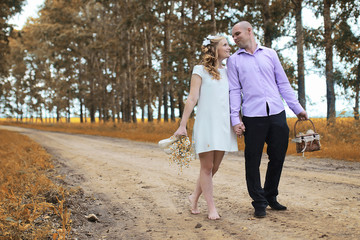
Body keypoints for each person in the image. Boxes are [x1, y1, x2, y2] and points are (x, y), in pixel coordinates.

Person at [227, 21, 308, 218]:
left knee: (278, 157)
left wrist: (297, 108)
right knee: (252, 160)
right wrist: (235, 118)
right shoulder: (234, 60)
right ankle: (259, 202)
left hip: (277, 113)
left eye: (237, 34)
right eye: (233, 36)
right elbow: (234, 90)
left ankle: (271, 196)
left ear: (249, 31)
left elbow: (283, 83)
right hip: (253, 117)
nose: (234, 38)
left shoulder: (270, 54)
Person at [173, 35, 238, 220]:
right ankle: (211, 208)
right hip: (206, 125)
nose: (229, 47)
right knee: (206, 167)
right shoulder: (199, 70)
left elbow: (233, 99)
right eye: (225, 45)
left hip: (223, 126)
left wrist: (237, 122)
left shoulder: (228, 71)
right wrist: (182, 125)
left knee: (214, 167)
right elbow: (192, 99)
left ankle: (194, 196)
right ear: (215, 49)